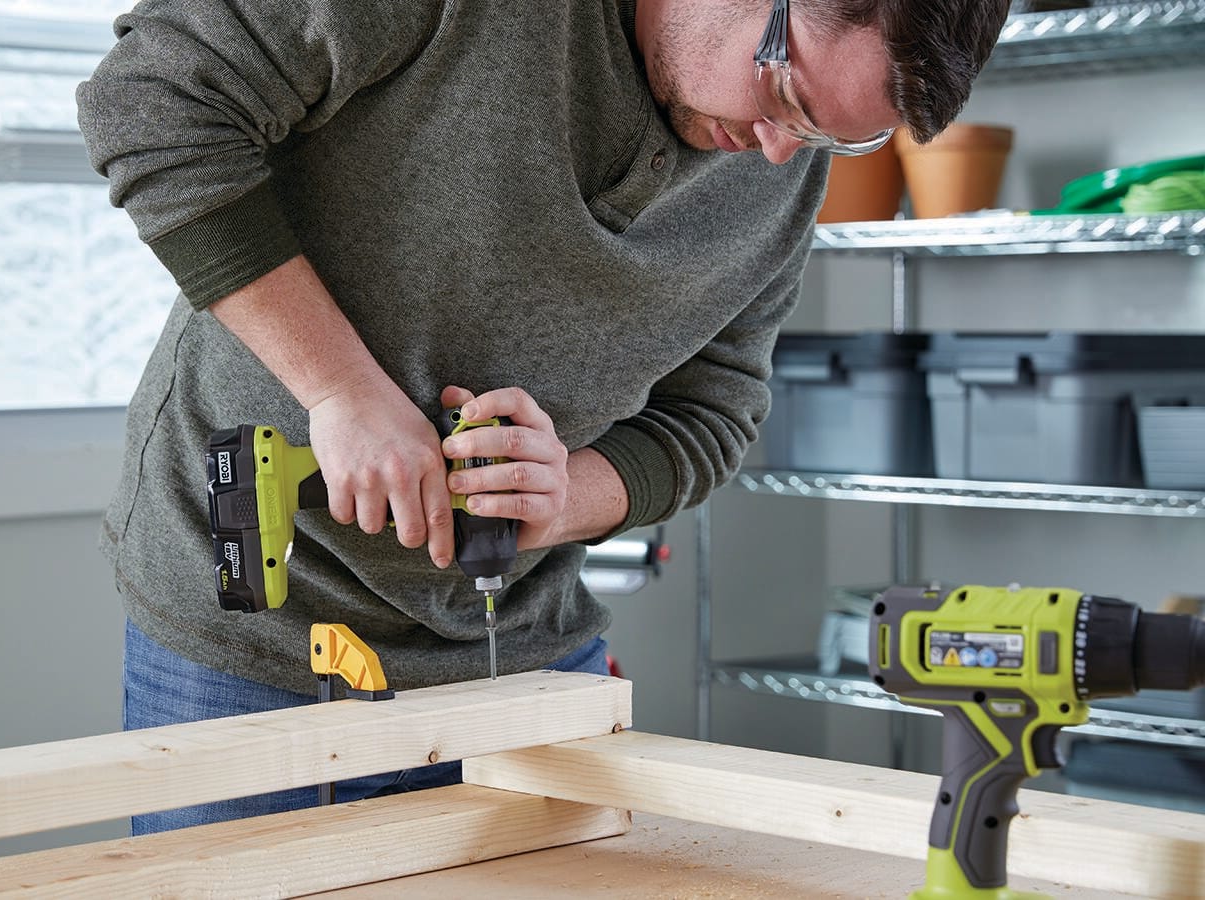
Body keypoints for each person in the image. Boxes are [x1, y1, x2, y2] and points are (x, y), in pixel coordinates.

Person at [77, 0, 1011, 832]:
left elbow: (716, 409)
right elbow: (153, 100)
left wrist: (569, 497)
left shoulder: (778, 168)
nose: (777, 149)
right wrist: (340, 389)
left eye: (829, 136)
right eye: (784, 93)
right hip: (253, 646)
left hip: (523, 659)